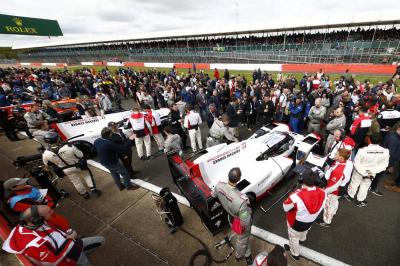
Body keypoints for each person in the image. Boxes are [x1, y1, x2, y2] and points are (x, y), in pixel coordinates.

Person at [2, 205, 105, 266]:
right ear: (38, 219)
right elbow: (53, 262)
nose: (52, 211)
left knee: (102, 240)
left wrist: (67, 235)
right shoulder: (33, 244)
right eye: (49, 212)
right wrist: (71, 239)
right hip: (66, 257)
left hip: (70, 244)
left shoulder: (32, 224)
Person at [283, 169, 327, 260]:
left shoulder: (295, 196)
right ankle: (302, 240)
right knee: (304, 231)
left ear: (302, 180)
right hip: (310, 221)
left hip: (296, 223)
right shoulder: (323, 192)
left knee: (293, 238)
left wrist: (294, 192)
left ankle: (295, 253)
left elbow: (285, 207)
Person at [42, 132, 102, 199]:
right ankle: (93, 190)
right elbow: (81, 155)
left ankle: (84, 194)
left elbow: (46, 165)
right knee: (87, 175)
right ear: (57, 139)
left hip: (65, 169)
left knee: (75, 182)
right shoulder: (69, 146)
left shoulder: (45, 153)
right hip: (78, 166)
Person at [212, 168, 252, 265]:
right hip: (238, 222)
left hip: (230, 217)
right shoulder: (242, 201)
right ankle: (241, 255)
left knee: (243, 239)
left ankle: (246, 253)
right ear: (238, 179)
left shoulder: (218, 186)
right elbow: (245, 222)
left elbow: (213, 195)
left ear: (228, 176)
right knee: (243, 240)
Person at [3, 177, 69, 231]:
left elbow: (39, 193)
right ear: (13, 188)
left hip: (45, 207)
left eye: (23, 181)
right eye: (21, 183)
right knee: (60, 225)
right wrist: (52, 202)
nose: (25, 183)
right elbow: (39, 209)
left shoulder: (26, 188)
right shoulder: (18, 201)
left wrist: (49, 199)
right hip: (41, 217)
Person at [346, 134, 390, 207]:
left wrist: (364, 172)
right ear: (380, 142)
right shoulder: (385, 151)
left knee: (354, 183)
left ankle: (350, 196)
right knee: (365, 186)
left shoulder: (362, 150)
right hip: (371, 172)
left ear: (369, 140)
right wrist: (371, 171)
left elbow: (356, 163)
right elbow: (384, 165)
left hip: (359, 171)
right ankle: (360, 201)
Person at [317, 149, 353, 227]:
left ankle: (327, 221)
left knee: (328, 205)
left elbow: (333, 187)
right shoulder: (349, 162)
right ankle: (333, 213)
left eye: (336, 154)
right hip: (343, 187)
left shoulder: (338, 171)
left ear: (341, 158)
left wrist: (324, 191)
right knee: (334, 202)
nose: (334, 155)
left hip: (335, 190)